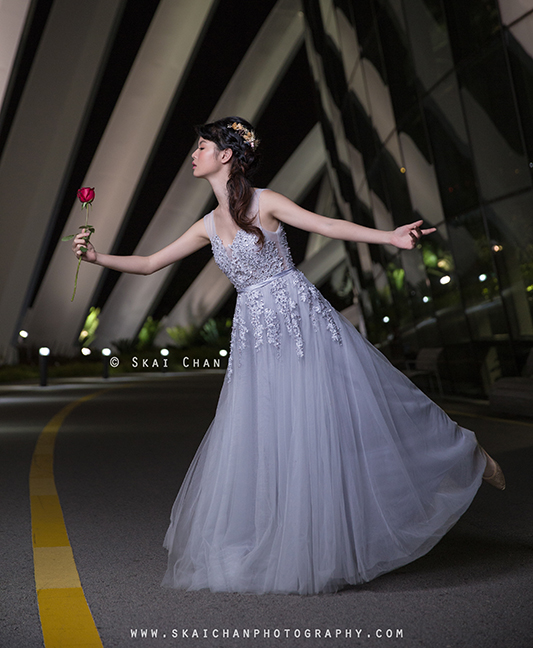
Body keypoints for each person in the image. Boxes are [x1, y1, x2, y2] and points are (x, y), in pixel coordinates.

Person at [73, 116, 505, 595]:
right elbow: (151, 264)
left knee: (355, 414)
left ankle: (464, 454)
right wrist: (97, 260)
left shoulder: (267, 201)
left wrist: (389, 237)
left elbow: (326, 224)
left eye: (201, 147)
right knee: (276, 435)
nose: (193, 155)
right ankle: (294, 543)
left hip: (301, 320)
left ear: (226, 156)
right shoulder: (206, 225)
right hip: (254, 334)